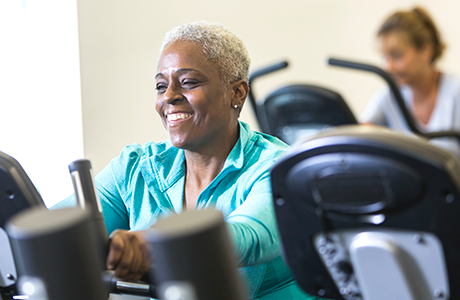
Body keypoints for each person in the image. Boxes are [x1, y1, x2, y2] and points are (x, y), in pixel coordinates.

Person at [55, 21, 322, 299]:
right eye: (161, 86)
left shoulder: (277, 168)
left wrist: (153, 244)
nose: (168, 96)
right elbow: (62, 226)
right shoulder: (135, 168)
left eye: (188, 82)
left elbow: (249, 238)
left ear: (237, 93)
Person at [360, 6, 460, 157]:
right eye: (384, 57)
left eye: (396, 56)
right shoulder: (390, 96)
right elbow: (361, 131)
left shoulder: (455, 93)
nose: (388, 67)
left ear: (426, 51)